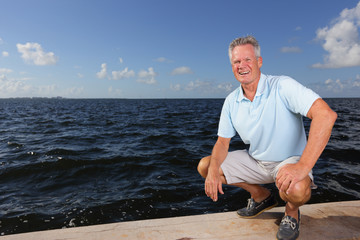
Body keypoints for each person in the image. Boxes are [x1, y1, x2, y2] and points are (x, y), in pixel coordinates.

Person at [197, 35, 337, 240]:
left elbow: (326, 115)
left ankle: (291, 213)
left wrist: (302, 166)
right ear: (231, 66)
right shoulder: (231, 101)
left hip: (289, 161)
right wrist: (213, 171)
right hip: (256, 161)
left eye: (247, 60)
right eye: (236, 61)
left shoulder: (282, 85)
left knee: (297, 190)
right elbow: (222, 142)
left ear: (259, 62)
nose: (242, 65)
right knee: (206, 166)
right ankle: (260, 195)